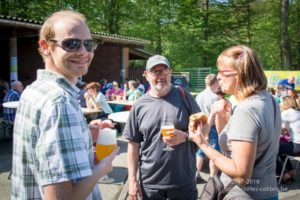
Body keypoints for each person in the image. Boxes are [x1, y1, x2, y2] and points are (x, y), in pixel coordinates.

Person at [11, 10, 119, 200]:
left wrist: (83, 134)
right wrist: (102, 168)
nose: (84, 52)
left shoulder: (33, 90)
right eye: (71, 44)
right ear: (45, 47)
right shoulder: (59, 102)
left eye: (88, 44)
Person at [188, 45, 281, 199]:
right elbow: (243, 144)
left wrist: (202, 143)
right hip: (268, 192)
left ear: (240, 75)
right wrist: (224, 118)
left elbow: (241, 176)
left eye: (222, 72)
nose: (217, 77)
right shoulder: (269, 100)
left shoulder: (247, 110)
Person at [123, 55, 200, 200]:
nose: (161, 76)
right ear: (146, 75)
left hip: (183, 180)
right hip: (151, 182)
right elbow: (133, 144)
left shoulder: (184, 96)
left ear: (170, 72)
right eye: (155, 72)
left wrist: (185, 137)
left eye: (164, 71)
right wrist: (132, 180)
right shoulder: (139, 105)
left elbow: (204, 129)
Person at [194, 74, 220, 183]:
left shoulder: (198, 96)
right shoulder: (215, 97)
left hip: (200, 127)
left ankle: (196, 174)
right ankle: (212, 178)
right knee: (213, 154)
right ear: (214, 83)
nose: (219, 85)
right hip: (212, 128)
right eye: (217, 83)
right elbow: (216, 117)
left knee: (200, 152)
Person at [276, 96, 300, 183]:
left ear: (286, 103)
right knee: (282, 149)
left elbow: (277, 127)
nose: (279, 104)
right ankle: (290, 172)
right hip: (297, 145)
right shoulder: (297, 112)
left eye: (281, 102)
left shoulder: (286, 113)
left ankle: (284, 175)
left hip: (296, 146)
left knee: (272, 151)